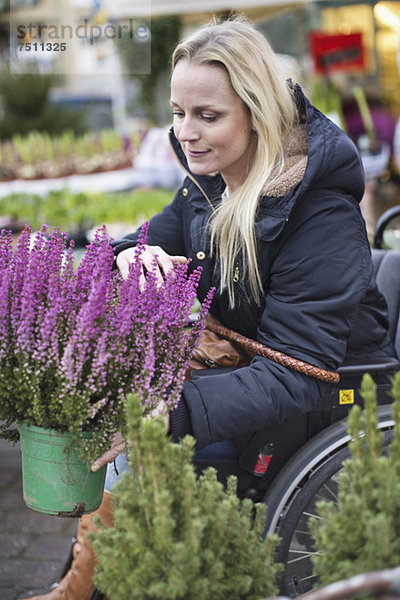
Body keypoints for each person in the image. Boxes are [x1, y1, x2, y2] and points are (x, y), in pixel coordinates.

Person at [25, 16, 396, 600]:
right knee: (118, 418)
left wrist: (167, 413)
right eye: (177, 113)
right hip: (246, 370)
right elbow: (144, 239)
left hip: (327, 397)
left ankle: (89, 586)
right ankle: (88, 581)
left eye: (208, 115)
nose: (186, 132)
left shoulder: (320, 214)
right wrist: (128, 257)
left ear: (257, 112)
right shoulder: (209, 183)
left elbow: (299, 372)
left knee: (139, 442)